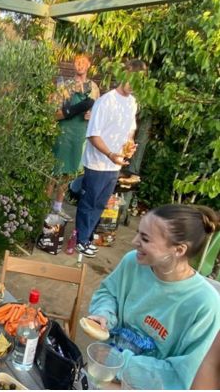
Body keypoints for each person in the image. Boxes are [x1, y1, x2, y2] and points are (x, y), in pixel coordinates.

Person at [87, 204, 220, 389]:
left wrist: (120, 361)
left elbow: (182, 375)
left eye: (145, 239)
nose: (134, 241)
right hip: (104, 371)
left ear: (179, 250)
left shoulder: (205, 305)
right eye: (137, 232)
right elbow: (108, 292)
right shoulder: (132, 262)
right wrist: (104, 314)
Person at [75, 59, 146, 258]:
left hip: (115, 164)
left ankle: (87, 237)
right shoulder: (106, 101)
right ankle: (81, 240)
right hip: (98, 162)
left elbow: (130, 129)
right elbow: (93, 134)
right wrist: (110, 154)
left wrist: (129, 146)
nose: (135, 85)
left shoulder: (132, 102)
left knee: (100, 203)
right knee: (90, 202)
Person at [46, 54, 100, 222]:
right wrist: (70, 111)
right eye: (77, 62)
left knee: (67, 173)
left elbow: (98, 112)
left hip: (79, 135)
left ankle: (57, 207)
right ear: (73, 64)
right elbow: (53, 111)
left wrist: (91, 115)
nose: (80, 65)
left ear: (89, 65)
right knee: (53, 171)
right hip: (64, 133)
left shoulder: (94, 87)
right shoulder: (65, 86)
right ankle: (42, 207)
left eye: (83, 62)